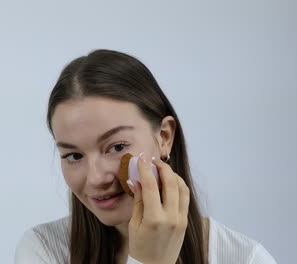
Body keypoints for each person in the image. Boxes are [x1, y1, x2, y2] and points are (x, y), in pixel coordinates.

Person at [15, 49, 277, 264]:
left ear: (164, 137)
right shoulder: (43, 251)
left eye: (117, 147)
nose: (95, 178)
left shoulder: (245, 259)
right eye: (73, 155)